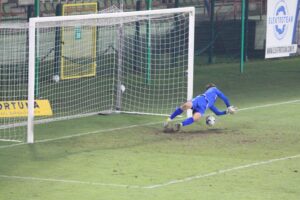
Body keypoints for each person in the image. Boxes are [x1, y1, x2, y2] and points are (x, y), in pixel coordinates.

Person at [164, 83, 237, 131]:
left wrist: (227, 111)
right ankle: (168, 120)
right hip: (200, 100)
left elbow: (217, 113)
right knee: (186, 105)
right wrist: (229, 106)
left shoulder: (211, 104)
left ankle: (180, 125)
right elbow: (224, 98)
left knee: (196, 117)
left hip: (202, 108)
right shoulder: (214, 89)